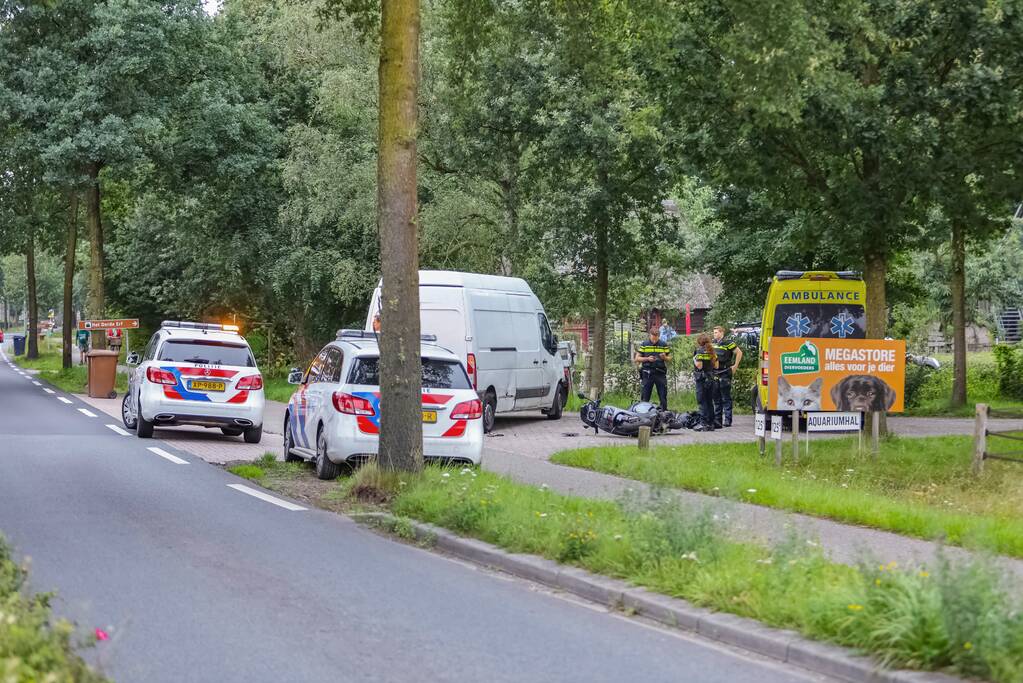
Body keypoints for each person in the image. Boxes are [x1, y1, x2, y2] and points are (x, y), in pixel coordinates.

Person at [711, 325, 743, 428]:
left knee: (725, 397)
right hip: (715, 372)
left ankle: (728, 420)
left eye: (716, 332)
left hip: (725, 372)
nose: (714, 334)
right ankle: (718, 420)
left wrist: (735, 366)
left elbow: (739, 353)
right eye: (714, 332)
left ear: (722, 333)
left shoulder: (728, 343)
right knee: (716, 397)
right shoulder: (713, 343)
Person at [634, 327, 672, 410]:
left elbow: (669, 358)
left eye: (656, 338)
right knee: (645, 396)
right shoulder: (644, 344)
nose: (654, 340)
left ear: (659, 336)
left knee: (663, 395)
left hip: (660, 372)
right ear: (649, 335)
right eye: (653, 338)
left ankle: (664, 412)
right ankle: (643, 412)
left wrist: (665, 357)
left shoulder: (663, 344)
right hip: (647, 372)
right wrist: (647, 359)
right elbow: (637, 358)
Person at [692, 333, 719, 431]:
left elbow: (699, 366)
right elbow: (716, 366)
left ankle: (703, 423)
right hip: (711, 378)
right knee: (709, 401)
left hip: (702, 379)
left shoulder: (699, 351)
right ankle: (711, 423)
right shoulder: (712, 351)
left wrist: (694, 359)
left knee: (702, 401)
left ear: (699, 342)